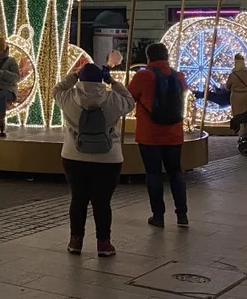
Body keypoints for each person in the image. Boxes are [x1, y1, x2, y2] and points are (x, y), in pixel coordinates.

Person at [55, 51, 133, 257]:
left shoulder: (68, 98)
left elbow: (57, 89)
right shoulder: (112, 99)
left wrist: (74, 75)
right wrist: (113, 82)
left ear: (80, 79)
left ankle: (75, 242)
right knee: (102, 201)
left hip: (73, 156)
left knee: (78, 199)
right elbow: (130, 100)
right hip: (108, 158)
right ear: (101, 80)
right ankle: (104, 244)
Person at [128, 43, 189, 229]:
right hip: (174, 133)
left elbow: (129, 97)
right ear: (166, 56)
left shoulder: (144, 75)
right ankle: (182, 215)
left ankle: (158, 216)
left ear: (149, 57)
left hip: (150, 134)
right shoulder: (178, 76)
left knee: (153, 174)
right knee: (176, 172)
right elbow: (184, 93)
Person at [225, 54, 247, 118]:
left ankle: (241, 128)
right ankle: (246, 127)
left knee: (238, 117)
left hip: (237, 97)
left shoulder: (233, 75)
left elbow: (228, 86)